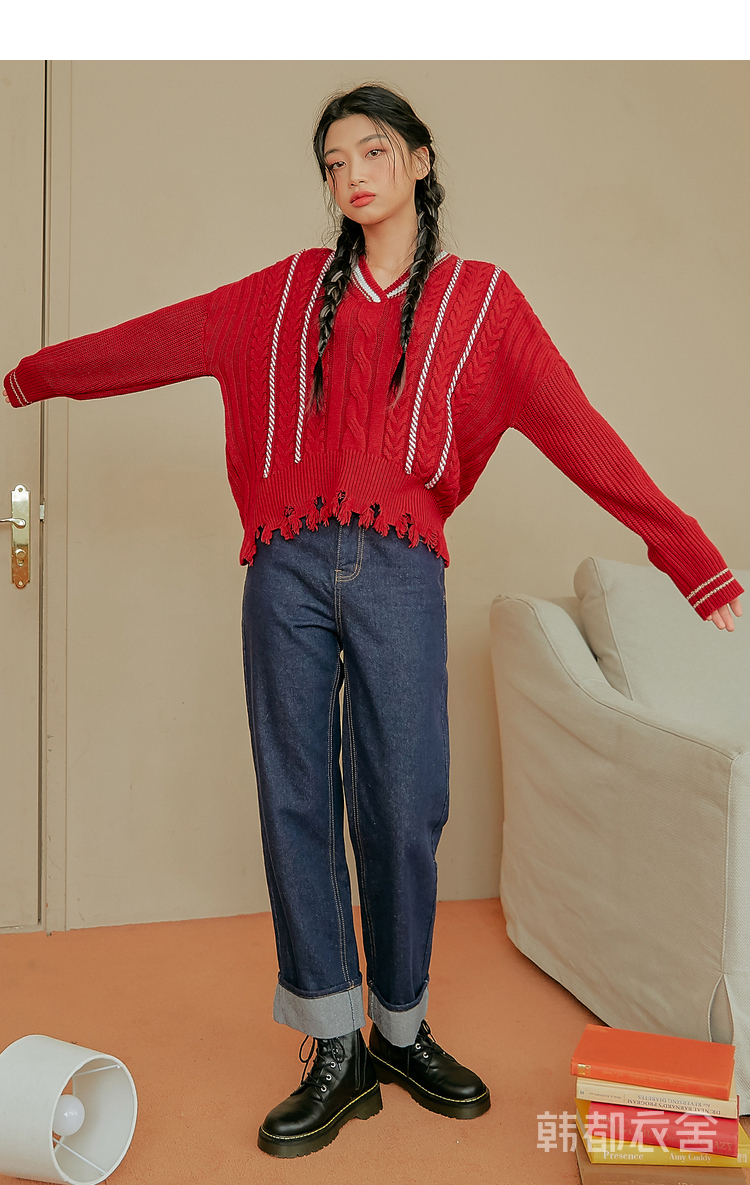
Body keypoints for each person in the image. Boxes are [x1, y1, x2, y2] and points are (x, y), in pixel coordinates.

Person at [4, 84, 743, 1159]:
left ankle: (401, 1029)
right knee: (296, 796)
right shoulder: (283, 294)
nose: (353, 174)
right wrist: (29, 377)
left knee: (406, 803)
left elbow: (579, 429)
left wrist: (690, 557)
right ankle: (334, 1048)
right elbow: (158, 339)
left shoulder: (484, 306)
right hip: (285, 568)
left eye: (374, 151)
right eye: (334, 161)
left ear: (420, 159)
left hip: (400, 569)